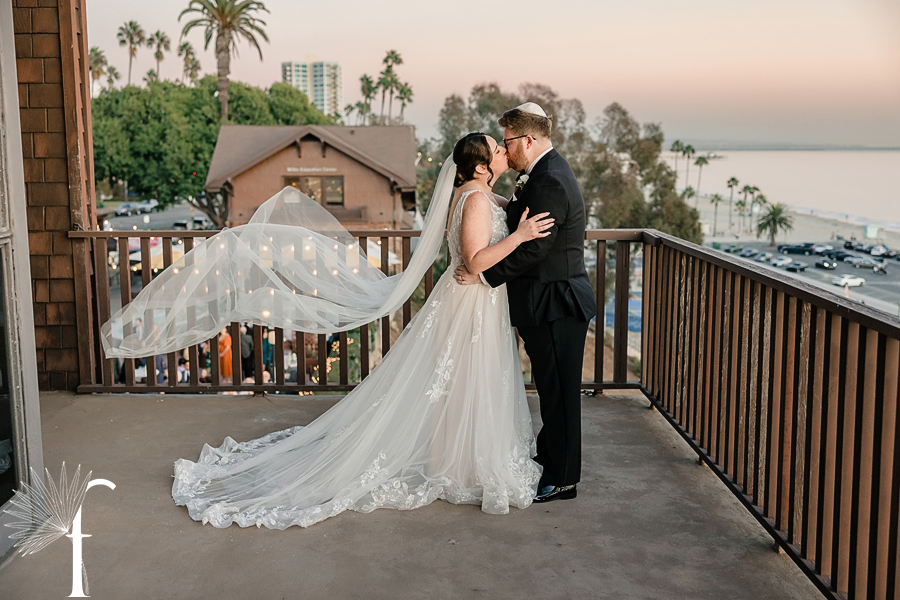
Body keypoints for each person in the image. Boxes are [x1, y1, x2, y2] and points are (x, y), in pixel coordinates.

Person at [166, 132, 554, 529]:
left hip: (478, 302)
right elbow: (473, 261)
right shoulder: (473, 199)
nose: (506, 152)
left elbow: (494, 220)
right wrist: (521, 236)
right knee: (460, 382)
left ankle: (459, 460)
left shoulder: (482, 195)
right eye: (498, 150)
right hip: (469, 303)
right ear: (480, 166)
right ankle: (457, 465)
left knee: (461, 385)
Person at [455, 103, 596, 503]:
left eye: (508, 141)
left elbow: (535, 248)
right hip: (544, 302)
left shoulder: (549, 179)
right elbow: (517, 218)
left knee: (560, 395)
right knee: (551, 391)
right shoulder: (540, 176)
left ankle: (564, 479)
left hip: (557, 303)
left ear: (527, 140)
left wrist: (482, 275)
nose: (505, 148)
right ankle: (550, 459)